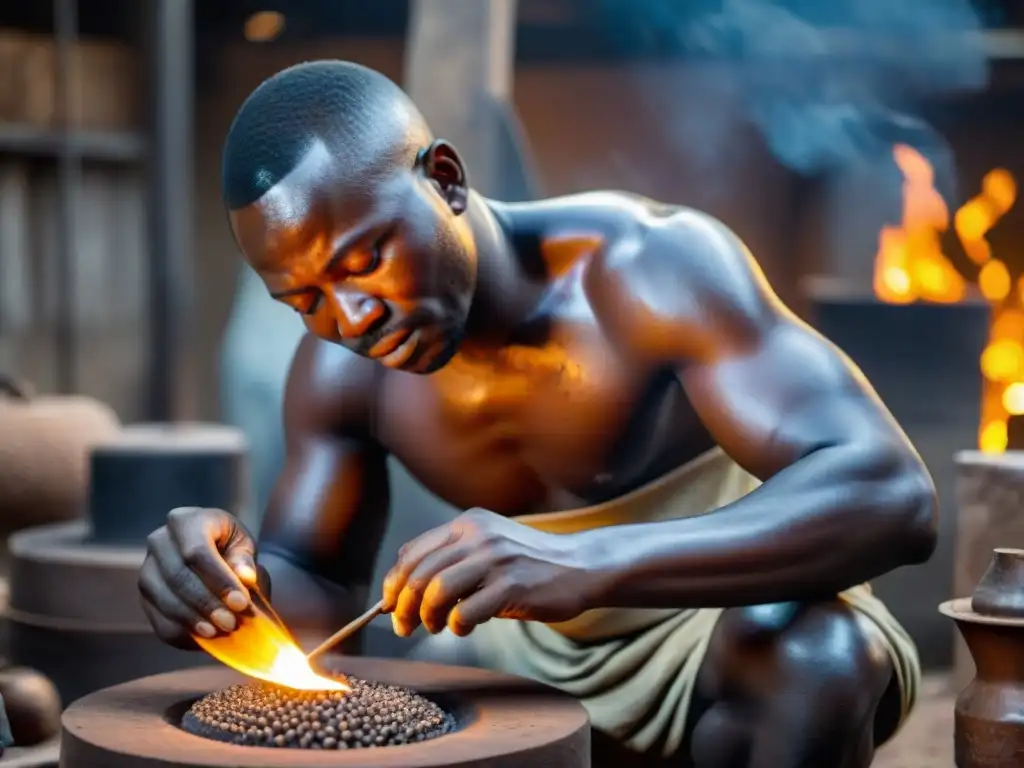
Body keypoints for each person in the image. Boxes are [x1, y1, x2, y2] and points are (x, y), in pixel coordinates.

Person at [139, 61, 936, 768]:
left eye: (365, 259)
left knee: (819, 655)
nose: (350, 318)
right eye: (304, 298)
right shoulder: (339, 370)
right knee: (397, 699)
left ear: (444, 180)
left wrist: (587, 563)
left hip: (718, 626)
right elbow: (314, 587)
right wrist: (219, 591)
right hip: (520, 651)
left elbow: (891, 495)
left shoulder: (650, 268)